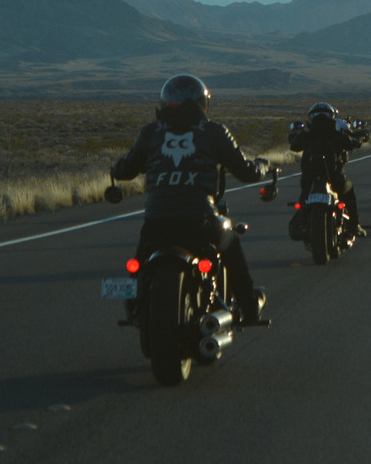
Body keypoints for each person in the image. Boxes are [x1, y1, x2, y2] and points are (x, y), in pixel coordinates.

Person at [111, 74, 265, 323]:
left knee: (140, 262)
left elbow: (127, 170)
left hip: (157, 221)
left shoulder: (150, 132)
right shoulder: (213, 131)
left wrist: (116, 169)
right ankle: (249, 309)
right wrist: (262, 166)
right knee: (231, 245)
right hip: (201, 219)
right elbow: (246, 172)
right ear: (203, 104)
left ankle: (135, 305)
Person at [288, 101, 368, 235]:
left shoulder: (307, 135)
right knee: (348, 191)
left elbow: (294, 145)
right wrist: (359, 140)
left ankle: (301, 222)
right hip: (334, 177)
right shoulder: (337, 135)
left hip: (309, 177)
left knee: (304, 197)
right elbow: (352, 143)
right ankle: (354, 225)